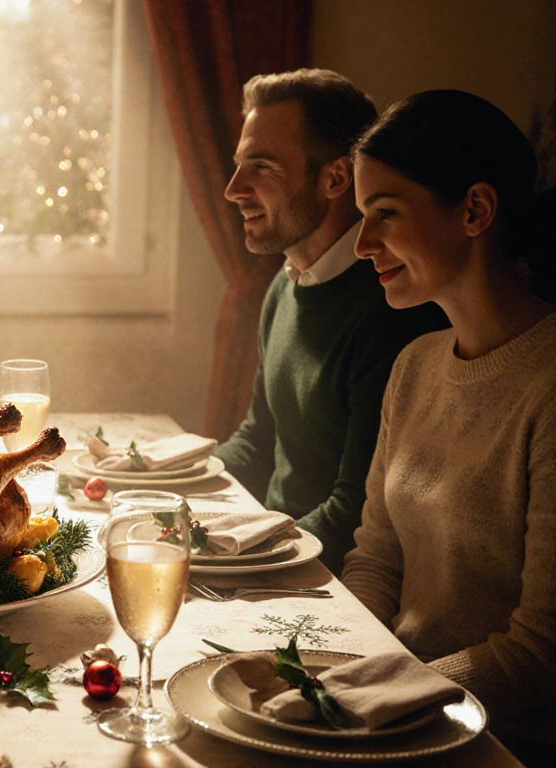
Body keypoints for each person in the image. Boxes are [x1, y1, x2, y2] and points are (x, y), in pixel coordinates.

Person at [342, 90, 556, 761]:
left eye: (384, 214)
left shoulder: (548, 386)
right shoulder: (415, 365)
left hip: (498, 741)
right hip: (396, 710)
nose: (360, 244)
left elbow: (540, 651)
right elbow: (376, 560)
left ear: (475, 210)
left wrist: (381, 697)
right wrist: (327, 663)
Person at [212, 69, 448, 575]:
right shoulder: (285, 284)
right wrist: (164, 497)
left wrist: (227, 563)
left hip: (322, 573)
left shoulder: (391, 308)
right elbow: (257, 440)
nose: (234, 189)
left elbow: (354, 512)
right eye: (238, 166)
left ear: (336, 177)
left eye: (261, 166)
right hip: (277, 547)